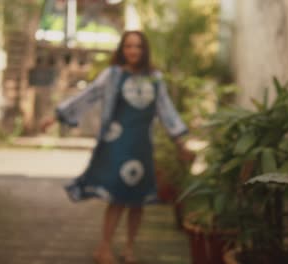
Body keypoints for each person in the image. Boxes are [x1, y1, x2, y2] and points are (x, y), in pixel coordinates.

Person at [42, 31, 193, 264]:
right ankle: (103, 248)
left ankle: (129, 249)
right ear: (122, 50)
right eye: (128, 46)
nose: (133, 51)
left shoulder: (155, 78)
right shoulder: (112, 75)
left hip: (142, 146)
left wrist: (181, 144)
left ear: (145, 51)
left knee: (139, 200)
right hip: (117, 144)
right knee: (118, 197)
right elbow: (88, 96)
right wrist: (56, 117)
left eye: (138, 47)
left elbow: (166, 111)